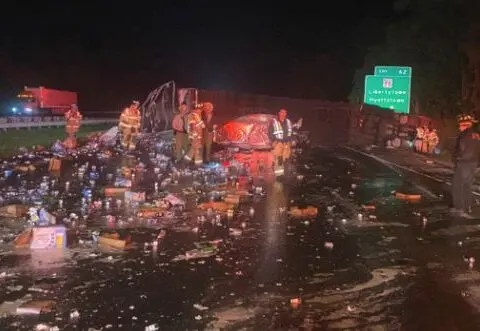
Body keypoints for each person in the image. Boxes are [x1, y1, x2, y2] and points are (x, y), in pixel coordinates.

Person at [451, 113, 480, 218]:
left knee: (457, 185)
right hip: (474, 163)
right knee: (468, 185)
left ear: (465, 125)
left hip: (464, 163)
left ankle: (459, 208)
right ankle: (468, 206)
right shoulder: (477, 135)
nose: (459, 127)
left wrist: (458, 158)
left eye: (460, 125)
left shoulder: (464, 135)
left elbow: (462, 150)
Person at [269, 109, 293, 176]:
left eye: (284, 112)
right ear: (279, 113)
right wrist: (273, 141)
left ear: (286, 114)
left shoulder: (288, 122)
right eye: (282, 112)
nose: (283, 114)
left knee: (286, 159)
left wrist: (292, 140)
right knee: (278, 159)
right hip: (278, 143)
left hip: (286, 144)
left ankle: (285, 175)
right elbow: (270, 132)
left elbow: (291, 132)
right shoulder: (274, 122)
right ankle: (279, 176)